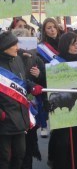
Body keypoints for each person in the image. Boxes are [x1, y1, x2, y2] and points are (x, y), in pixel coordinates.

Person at [0, 31, 43, 169]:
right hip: (4, 119)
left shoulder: (18, 60)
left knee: (20, 153)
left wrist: (32, 86)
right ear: (5, 46)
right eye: (14, 44)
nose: (17, 47)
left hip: (20, 117)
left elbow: (22, 81)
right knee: (4, 157)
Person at [47, 32, 77, 169]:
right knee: (62, 142)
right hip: (61, 107)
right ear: (65, 45)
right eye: (73, 44)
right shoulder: (55, 63)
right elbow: (51, 85)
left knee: (75, 141)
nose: (76, 47)